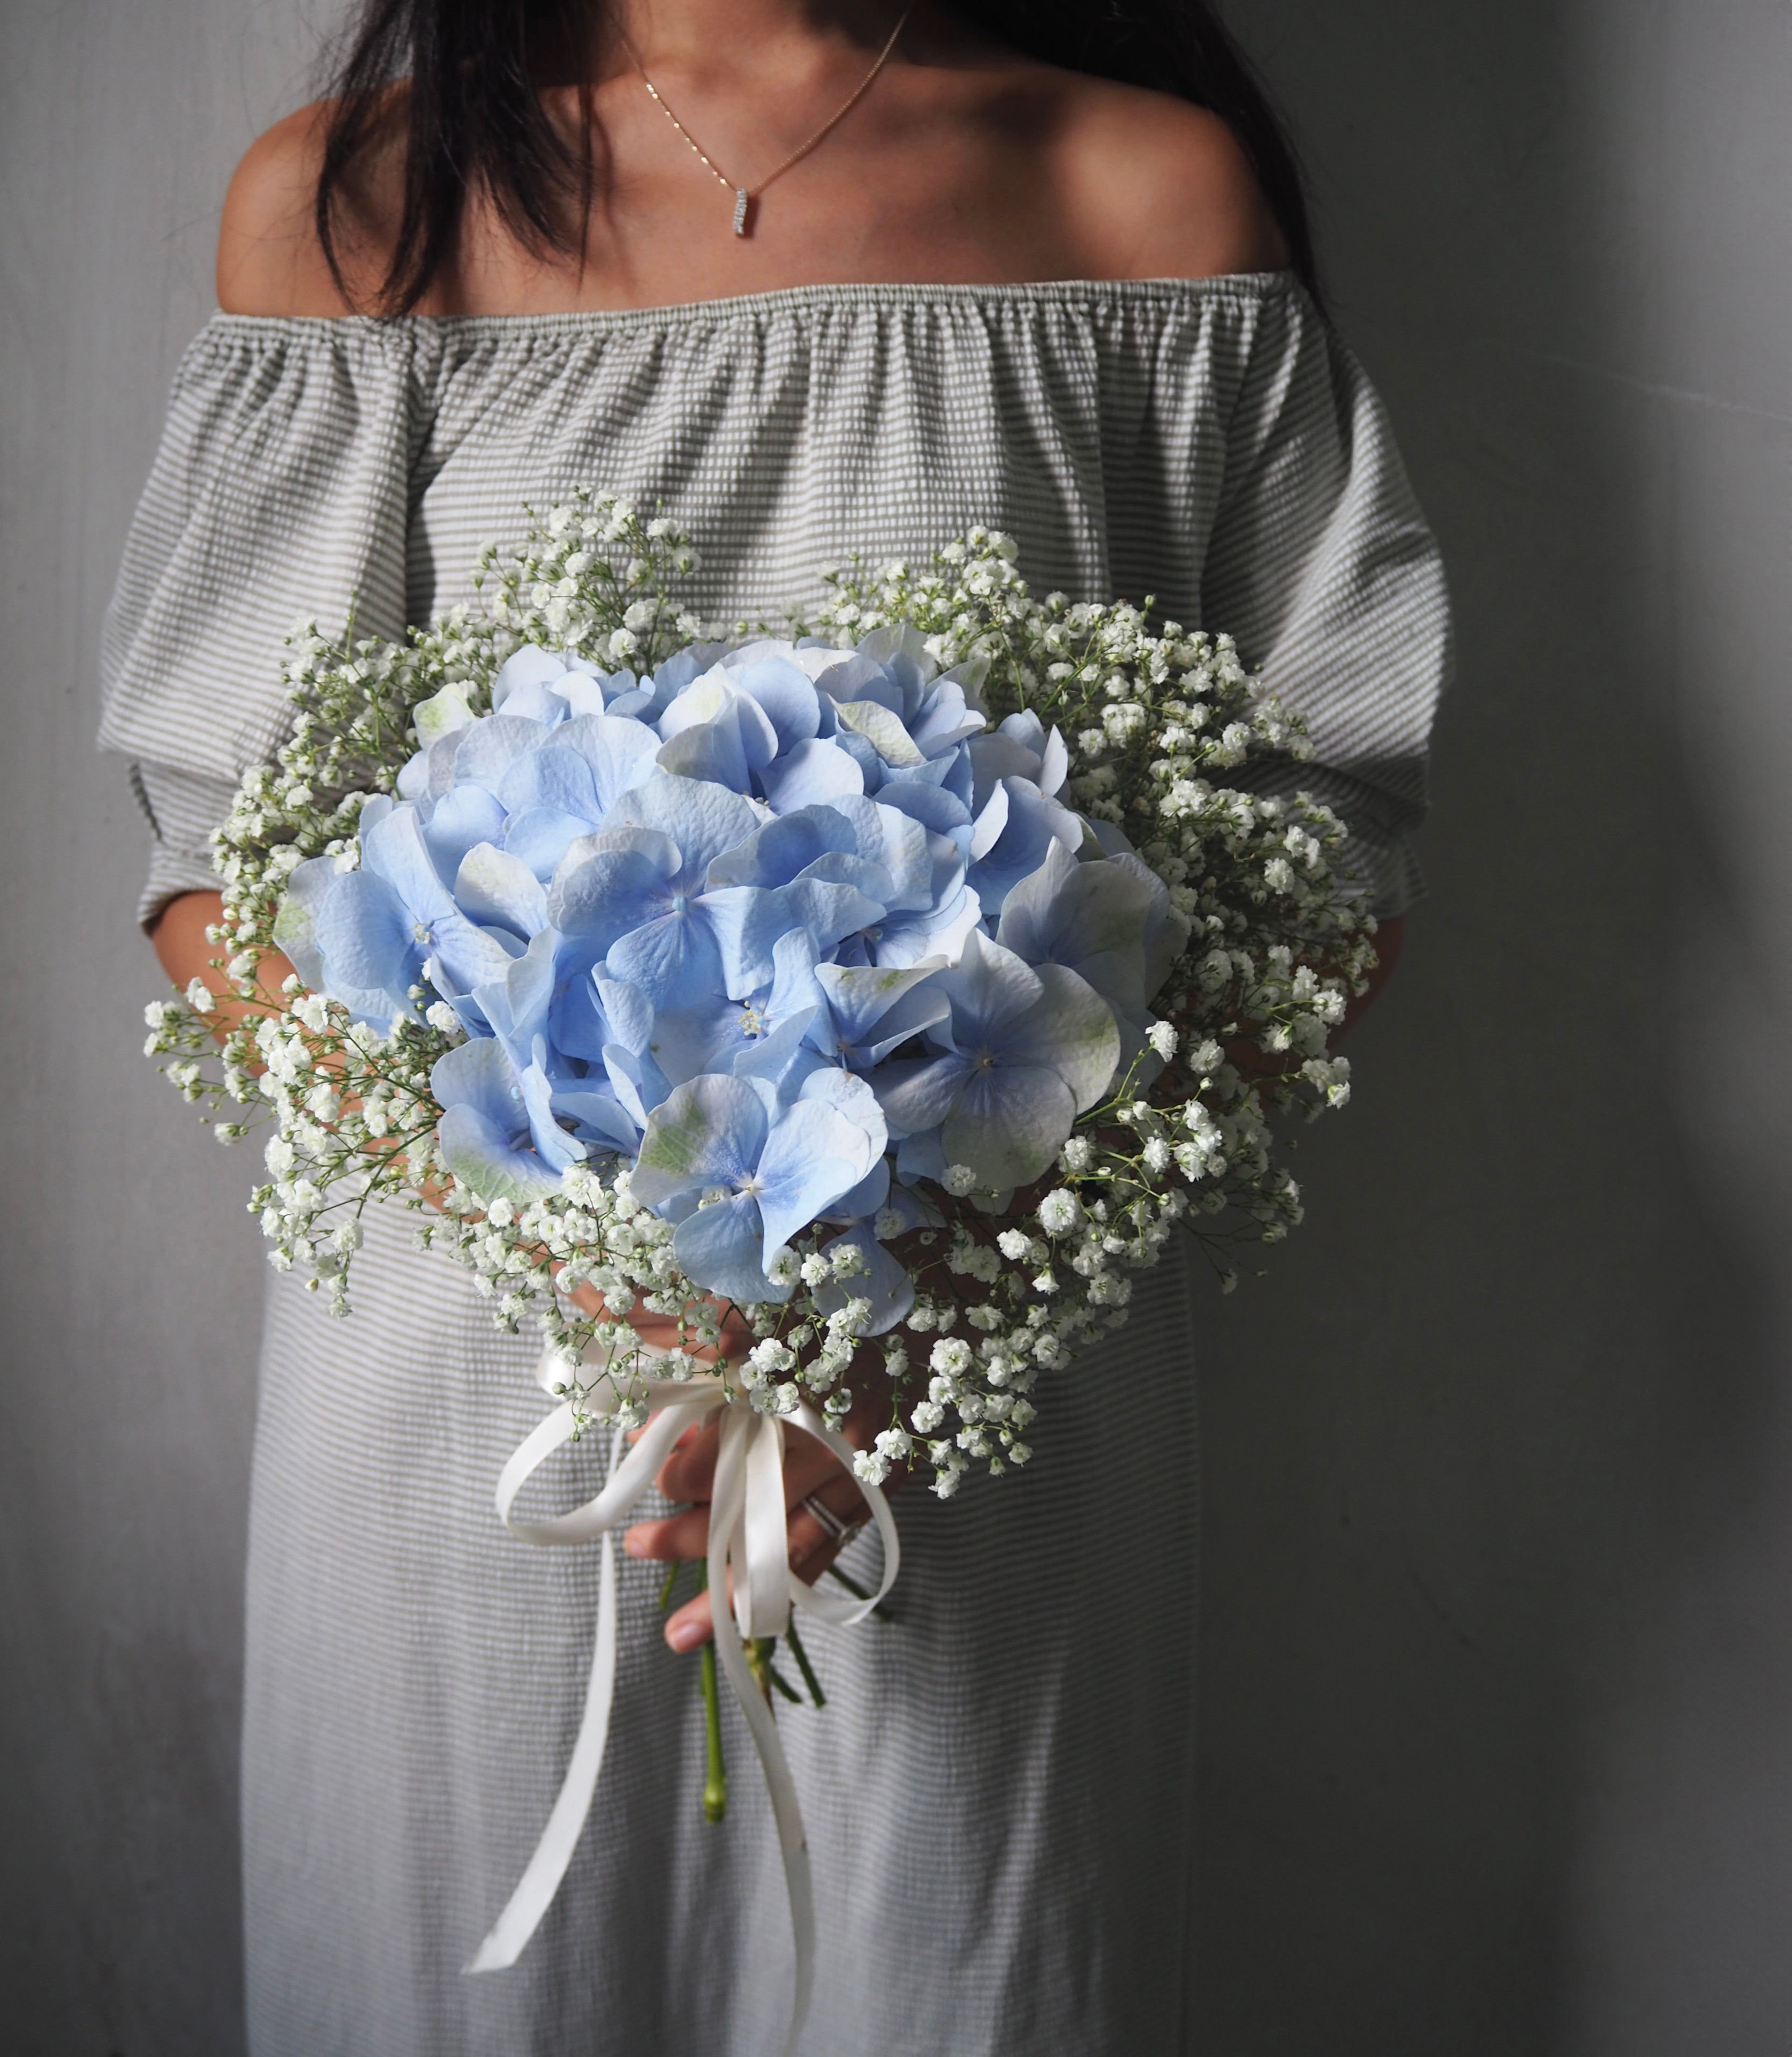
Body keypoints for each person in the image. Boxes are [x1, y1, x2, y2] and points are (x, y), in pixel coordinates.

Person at [100, 3, 1448, 2050]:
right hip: (484, 1405)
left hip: (984, 1405)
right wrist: (636, 1312)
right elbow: (225, 858)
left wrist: (908, 1335)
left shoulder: (1139, 189)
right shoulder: (371, 205)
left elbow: (1321, 842)